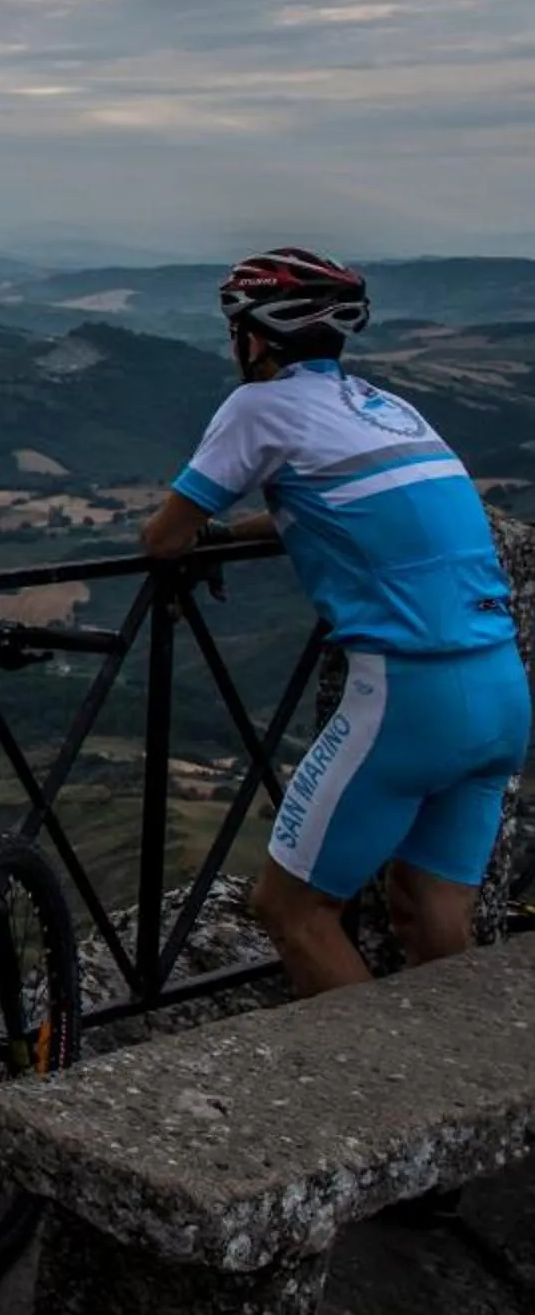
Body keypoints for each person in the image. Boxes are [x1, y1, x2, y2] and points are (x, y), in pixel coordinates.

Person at [140, 247, 531, 999]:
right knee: (428, 907)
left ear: (254, 337)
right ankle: (456, 1062)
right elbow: (329, 506)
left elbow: (163, 539)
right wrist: (250, 529)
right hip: (500, 686)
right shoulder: (388, 406)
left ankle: (384, 1069)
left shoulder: (259, 407)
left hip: (408, 697)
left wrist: (205, 538)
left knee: (291, 910)